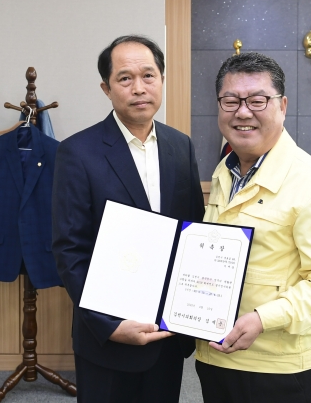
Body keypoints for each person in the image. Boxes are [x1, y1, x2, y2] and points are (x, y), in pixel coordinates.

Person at [194, 52, 311, 402]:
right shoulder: (226, 170)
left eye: (257, 101)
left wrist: (263, 318)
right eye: (230, 101)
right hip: (217, 357)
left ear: (282, 106)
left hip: (281, 370)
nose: (243, 112)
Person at [51, 35, 205, 403]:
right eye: (125, 78)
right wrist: (109, 326)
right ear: (106, 88)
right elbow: (69, 250)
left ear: (162, 80)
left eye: (148, 75)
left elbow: (192, 232)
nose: (139, 88)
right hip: (108, 337)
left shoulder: (180, 145)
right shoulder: (77, 152)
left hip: (167, 331)